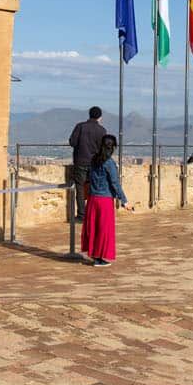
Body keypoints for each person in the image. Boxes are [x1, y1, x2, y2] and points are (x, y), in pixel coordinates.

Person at [81, 134, 127, 266]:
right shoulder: (109, 163)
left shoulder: (94, 160)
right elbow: (115, 183)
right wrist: (124, 200)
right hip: (104, 201)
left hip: (93, 199)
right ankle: (100, 258)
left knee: (94, 229)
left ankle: (95, 256)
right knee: (104, 230)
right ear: (112, 147)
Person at [67, 106, 107, 223]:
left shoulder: (80, 127)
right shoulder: (102, 131)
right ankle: (94, 215)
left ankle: (81, 215)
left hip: (80, 162)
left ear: (89, 115)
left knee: (80, 188)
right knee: (94, 189)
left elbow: (72, 142)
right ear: (100, 117)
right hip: (95, 164)